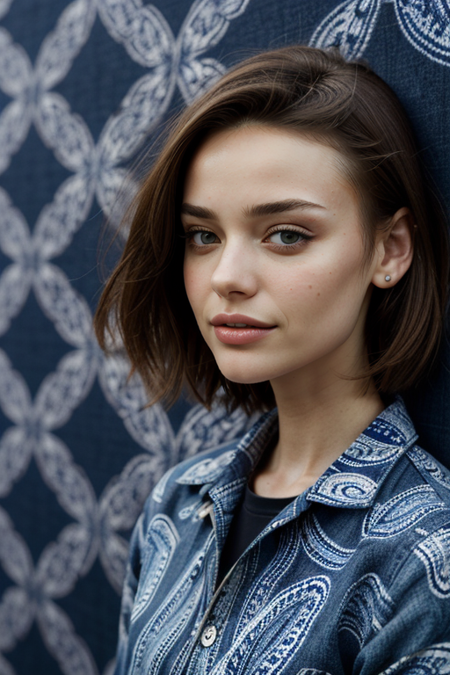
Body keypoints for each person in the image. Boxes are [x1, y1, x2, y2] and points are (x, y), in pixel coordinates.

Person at [95, 46, 450, 675]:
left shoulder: (426, 552)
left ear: (389, 249)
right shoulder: (176, 504)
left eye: (287, 234)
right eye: (203, 236)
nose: (226, 277)